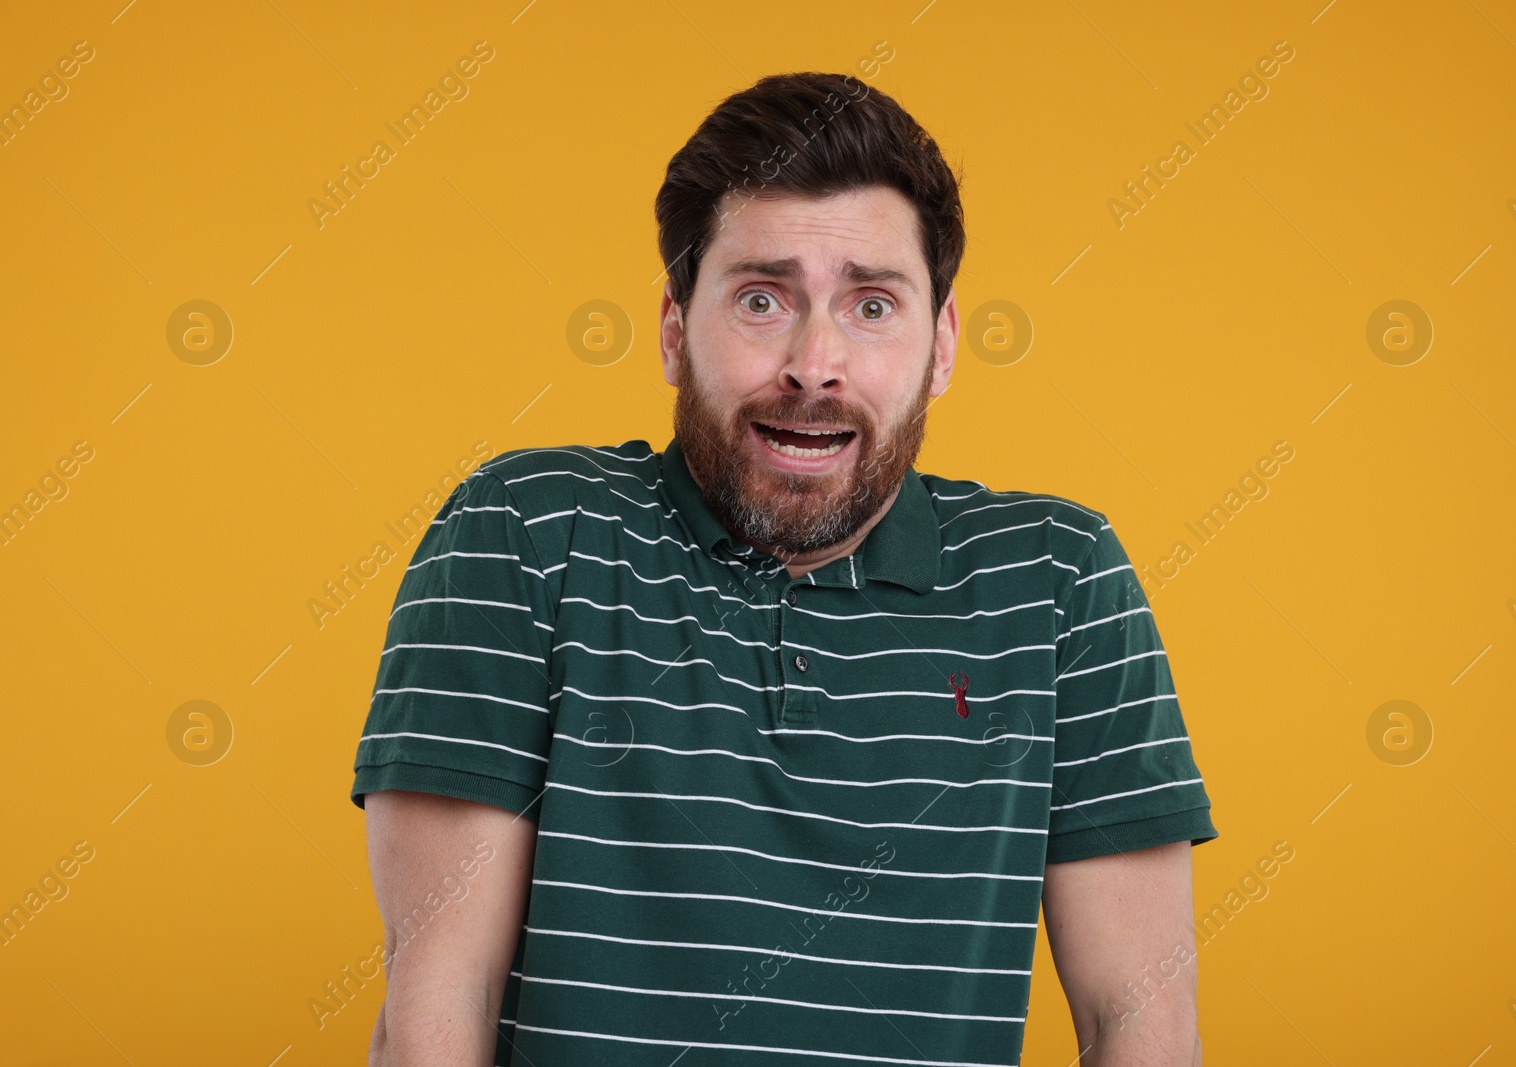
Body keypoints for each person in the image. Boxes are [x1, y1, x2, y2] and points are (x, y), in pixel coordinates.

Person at [352, 70, 1218, 1067]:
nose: (815, 362)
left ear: (940, 348)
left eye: (872, 305)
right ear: (676, 330)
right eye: (762, 298)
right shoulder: (525, 532)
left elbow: (1140, 1023)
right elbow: (434, 1005)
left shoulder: (1062, 581)